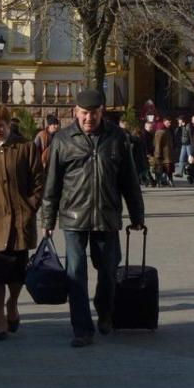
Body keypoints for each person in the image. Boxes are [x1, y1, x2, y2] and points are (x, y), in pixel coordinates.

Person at [42, 89, 145, 347]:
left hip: (106, 215)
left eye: (94, 113)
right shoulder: (63, 140)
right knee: (75, 273)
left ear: (102, 113)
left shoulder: (117, 138)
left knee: (109, 270)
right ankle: (82, 328)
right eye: (84, 113)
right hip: (73, 217)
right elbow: (52, 183)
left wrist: (137, 214)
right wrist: (47, 220)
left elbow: (129, 180)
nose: (89, 118)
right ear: (75, 112)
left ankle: (105, 310)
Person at [0, 104, 44, 339]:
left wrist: (31, 205)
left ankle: (13, 303)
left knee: (16, 274)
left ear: (8, 124)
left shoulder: (25, 147)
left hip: (19, 222)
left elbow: (39, 180)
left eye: (0, 126)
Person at [153, 118, 175, 186]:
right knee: (164, 169)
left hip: (165, 154)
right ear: (164, 122)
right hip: (164, 155)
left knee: (164, 169)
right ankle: (163, 182)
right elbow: (158, 144)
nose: (170, 124)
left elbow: (159, 144)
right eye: (168, 122)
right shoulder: (163, 131)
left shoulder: (164, 131)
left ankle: (163, 182)